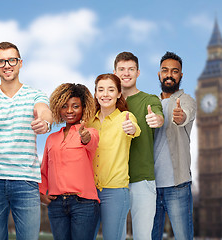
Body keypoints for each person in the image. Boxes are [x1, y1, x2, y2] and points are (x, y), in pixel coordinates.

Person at [0, 41, 52, 240]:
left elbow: (44, 111)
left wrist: (44, 122)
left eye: (11, 60)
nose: (7, 65)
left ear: (20, 63)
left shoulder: (35, 94)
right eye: (1, 61)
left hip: (25, 180)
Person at [113, 52, 164, 239]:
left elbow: (158, 116)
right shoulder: (108, 103)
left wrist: (156, 119)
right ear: (115, 72)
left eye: (131, 69)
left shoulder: (149, 100)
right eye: (122, 69)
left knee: (143, 236)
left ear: (138, 72)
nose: (126, 73)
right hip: (114, 181)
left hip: (142, 180)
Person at [39, 83, 100, 240]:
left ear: (83, 108)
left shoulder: (90, 132)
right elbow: (44, 171)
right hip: (56, 205)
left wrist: (85, 137)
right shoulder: (51, 139)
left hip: (83, 204)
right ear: (58, 108)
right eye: (65, 106)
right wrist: (41, 194)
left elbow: (91, 141)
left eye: (75, 106)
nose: (70, 111)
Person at [88, 73, 141, 240]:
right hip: (89, 191)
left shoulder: (126, 118)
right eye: (101, 90)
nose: (105, 94)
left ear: (119, 93)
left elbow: (134, 129)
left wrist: (130, 128)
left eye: (111, 90)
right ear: (95, 93)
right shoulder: (89, 121)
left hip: (115, 191)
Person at [151, 52, 196, 240]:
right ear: (159, 74)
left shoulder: (185, 100)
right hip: (150, 187)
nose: (169, 74)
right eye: (165, 70)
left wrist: (181, 116)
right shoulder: (150, 103)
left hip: (177, 186)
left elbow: (187, 113)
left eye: (175, 71)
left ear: (181, 76)